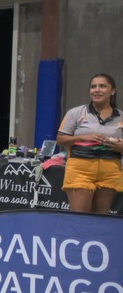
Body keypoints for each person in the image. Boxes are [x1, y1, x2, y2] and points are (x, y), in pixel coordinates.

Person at [56, 73, 123, 213]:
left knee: (100, 217)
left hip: (110, 172)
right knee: (81, 218)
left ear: (112, 91)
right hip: (80, 170)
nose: (97, 90)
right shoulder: (75, 113)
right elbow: (61, 140)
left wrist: (119, 147)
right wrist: (84, 137)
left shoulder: (121, 116)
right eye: (93, 87)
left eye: (102, 86)